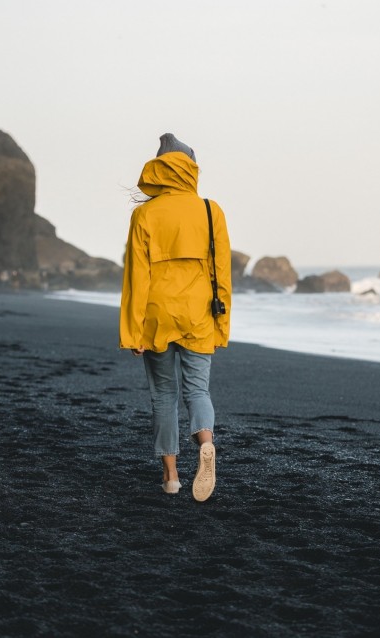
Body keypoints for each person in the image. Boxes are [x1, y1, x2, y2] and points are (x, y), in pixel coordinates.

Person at [119, 133, 232, 502]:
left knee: (163, 396)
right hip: (198, 314)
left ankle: (170, 476)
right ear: (191, 167)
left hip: (156, 316)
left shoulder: (145, 214)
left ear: (160, 167)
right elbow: (222, 275)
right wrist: (222, 326)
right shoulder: (210, 210)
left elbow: (137, 277)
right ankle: (206, 442)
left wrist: (132, 331)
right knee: (198, 390)